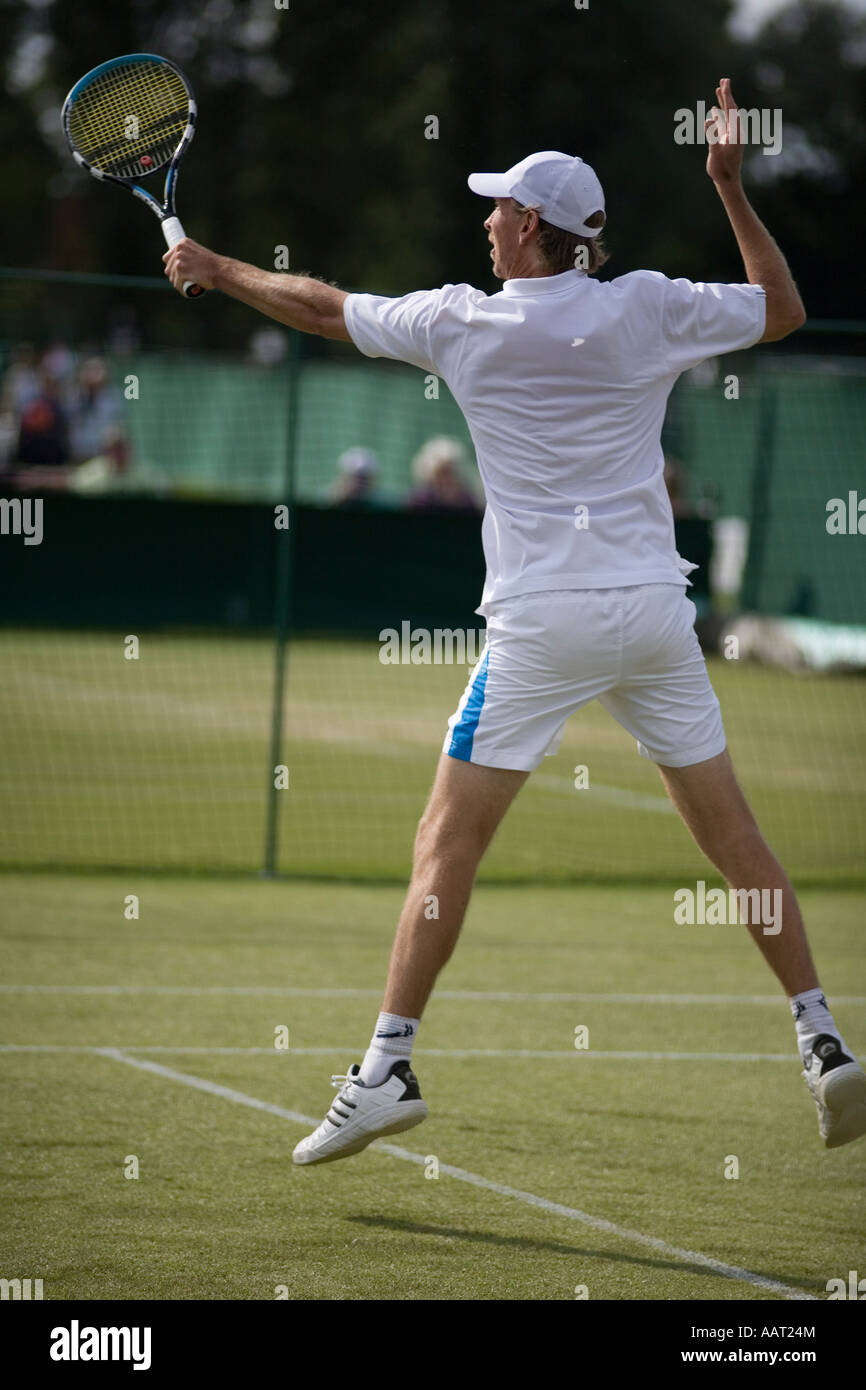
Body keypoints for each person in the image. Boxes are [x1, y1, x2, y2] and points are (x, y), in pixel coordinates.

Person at [164, 79, 866, 1163]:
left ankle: (386, 1067)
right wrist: (728, 186)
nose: (484, 217)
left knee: (443, 845)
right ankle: (820, 1037)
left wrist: (214, 268)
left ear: (531, 228)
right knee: (736, 845)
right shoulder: (642, 304)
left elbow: (314, 304)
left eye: (498, 207)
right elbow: (780, 308)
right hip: (651, 614)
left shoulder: (462, 319)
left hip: (542, 622)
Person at [407, 436, 480, 512]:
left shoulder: (466, 501)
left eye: (449, 472)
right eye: (441, 473)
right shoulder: (420, 500)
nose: (445, 479)